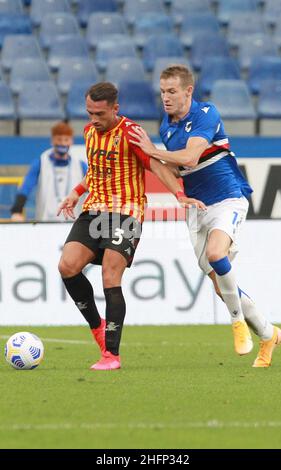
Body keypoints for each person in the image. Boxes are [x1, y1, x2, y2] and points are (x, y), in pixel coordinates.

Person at [129, 65, 281, 368]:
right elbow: (176, 169)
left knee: (216, 254)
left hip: (228, 199)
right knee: (219, 283)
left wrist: (152, 150)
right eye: (162, 92)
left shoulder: (206, 114)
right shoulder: (166, 127)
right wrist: (153, 164)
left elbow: (189, 157)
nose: (166, 98)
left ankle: (237, 322)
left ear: (188, 91)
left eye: (172, 91)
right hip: (196, 209)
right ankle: (269, 335)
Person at [57, 82, 205, 371]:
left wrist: (179, 194)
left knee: (111, 274)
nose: (93, 120)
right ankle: (97, 326)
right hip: (94, 210)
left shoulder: (131, 133)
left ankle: (111, 355)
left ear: (115, 109)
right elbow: (96, 169)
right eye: (89, 113)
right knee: (67, 267)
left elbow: (157, 166)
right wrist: (76, 192)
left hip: (126, 212)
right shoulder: (89, 132)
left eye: (99, 114)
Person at [11, 122, 87, 222]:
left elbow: (92, 186)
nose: (63, 143)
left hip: (73, 223)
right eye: (59, 139)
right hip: (45, 222)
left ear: (71, 141)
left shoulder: (80, 165)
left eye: (66, 140)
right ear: (52, 141)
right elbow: (26, 188)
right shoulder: (41, 162)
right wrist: (17, 210)